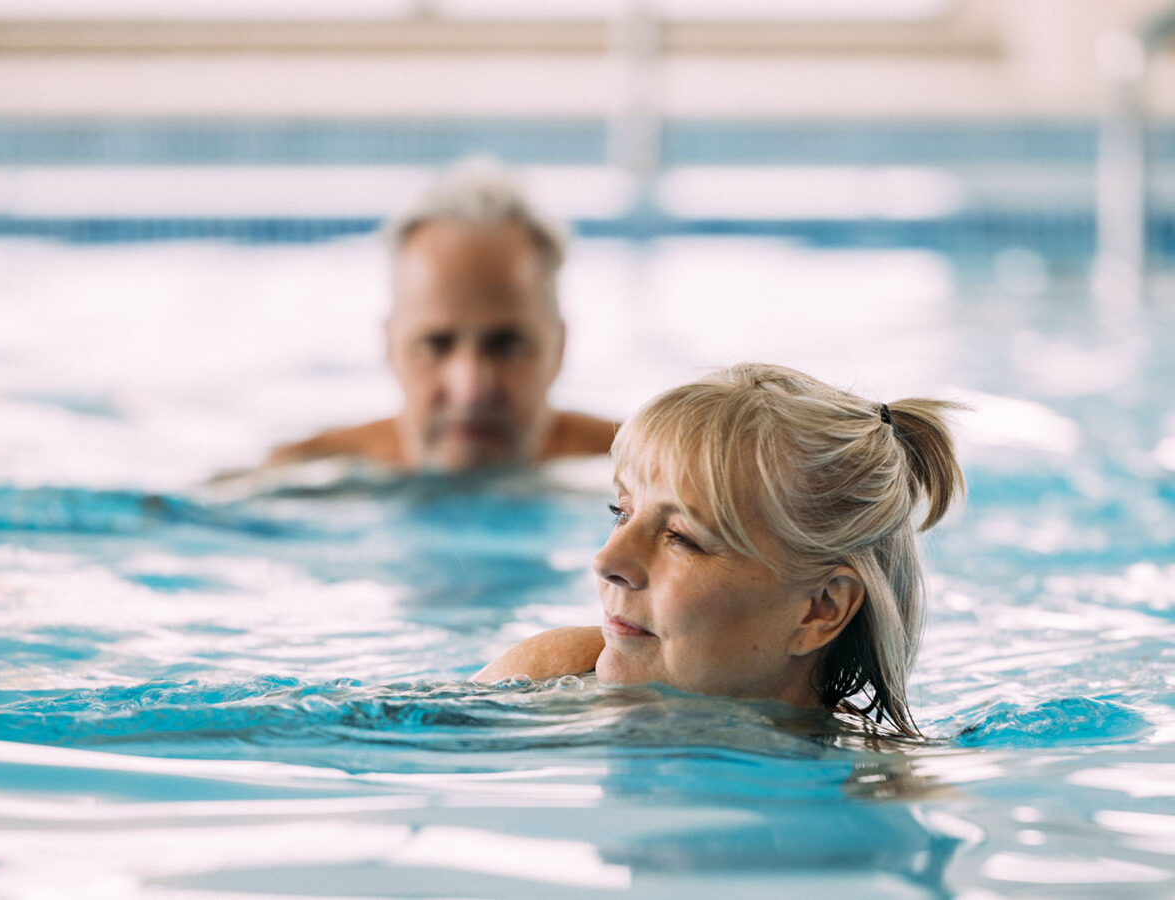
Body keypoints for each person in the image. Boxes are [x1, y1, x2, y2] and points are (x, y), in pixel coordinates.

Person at [475, 363, 965, 736]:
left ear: (821, 608)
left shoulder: (874, 781)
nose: (607, 562)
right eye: (621, 512)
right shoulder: (552, 676)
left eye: (682, 538)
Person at [267, 163, 617, 473]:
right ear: (390, 347)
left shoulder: (645, 473)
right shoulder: (301, 477)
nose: (471, 390)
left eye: (506, 345)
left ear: (559, 348)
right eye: (436, 345)